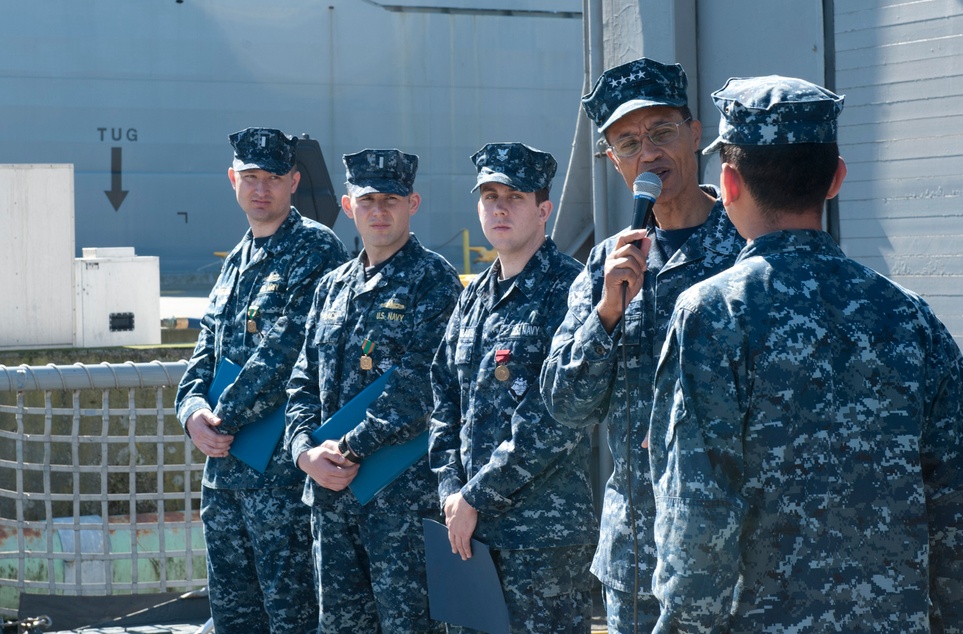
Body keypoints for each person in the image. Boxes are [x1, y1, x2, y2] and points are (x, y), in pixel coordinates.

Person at [648, 75, 963, 633]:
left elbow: (698, 510)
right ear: (835, 179)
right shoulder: (911, 317)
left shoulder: (713, 315)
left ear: (729, 182)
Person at [539, 58, 745, 632]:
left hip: (733, 558)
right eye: (627, 143)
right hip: (637, 560)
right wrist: (607, 312)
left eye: (662, 132)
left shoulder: (746, 248)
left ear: (696, 134)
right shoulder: (609, 263)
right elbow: (564, 405)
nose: (648, 154)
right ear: (612, 163)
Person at [175, 127, 348, 634]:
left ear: (294, 181)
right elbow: (206, 346)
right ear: (233, 180)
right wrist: (191, 414)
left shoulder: (316, 249)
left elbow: (284, 353)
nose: (261, 189)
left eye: (273, 178)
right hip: (226, 477)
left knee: (292, 618)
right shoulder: (236, 259)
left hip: (283, 482)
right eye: (250, 177)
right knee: (232, 617)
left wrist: (219, 417)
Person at [285, 149, 461, 634]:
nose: (379, 211)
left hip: (400, 508)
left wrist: (344, 449)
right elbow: (301, 380)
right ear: (348, 207)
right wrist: (303, 452)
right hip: (330, 501)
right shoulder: (331, 287)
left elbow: (421, 388)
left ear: (413, 203)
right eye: (367, 201)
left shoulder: (435, 283)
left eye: (391, 199)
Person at [429, 143, 598, 633]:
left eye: (515, 196)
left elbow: (555, 418)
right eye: (489, 195)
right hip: (467, 533)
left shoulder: (570, 289)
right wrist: (450, 492)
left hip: (541, 540)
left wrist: (475, 498)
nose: (499, 207)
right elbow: (443, 398)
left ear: (544, 210)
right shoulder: (474, 297)